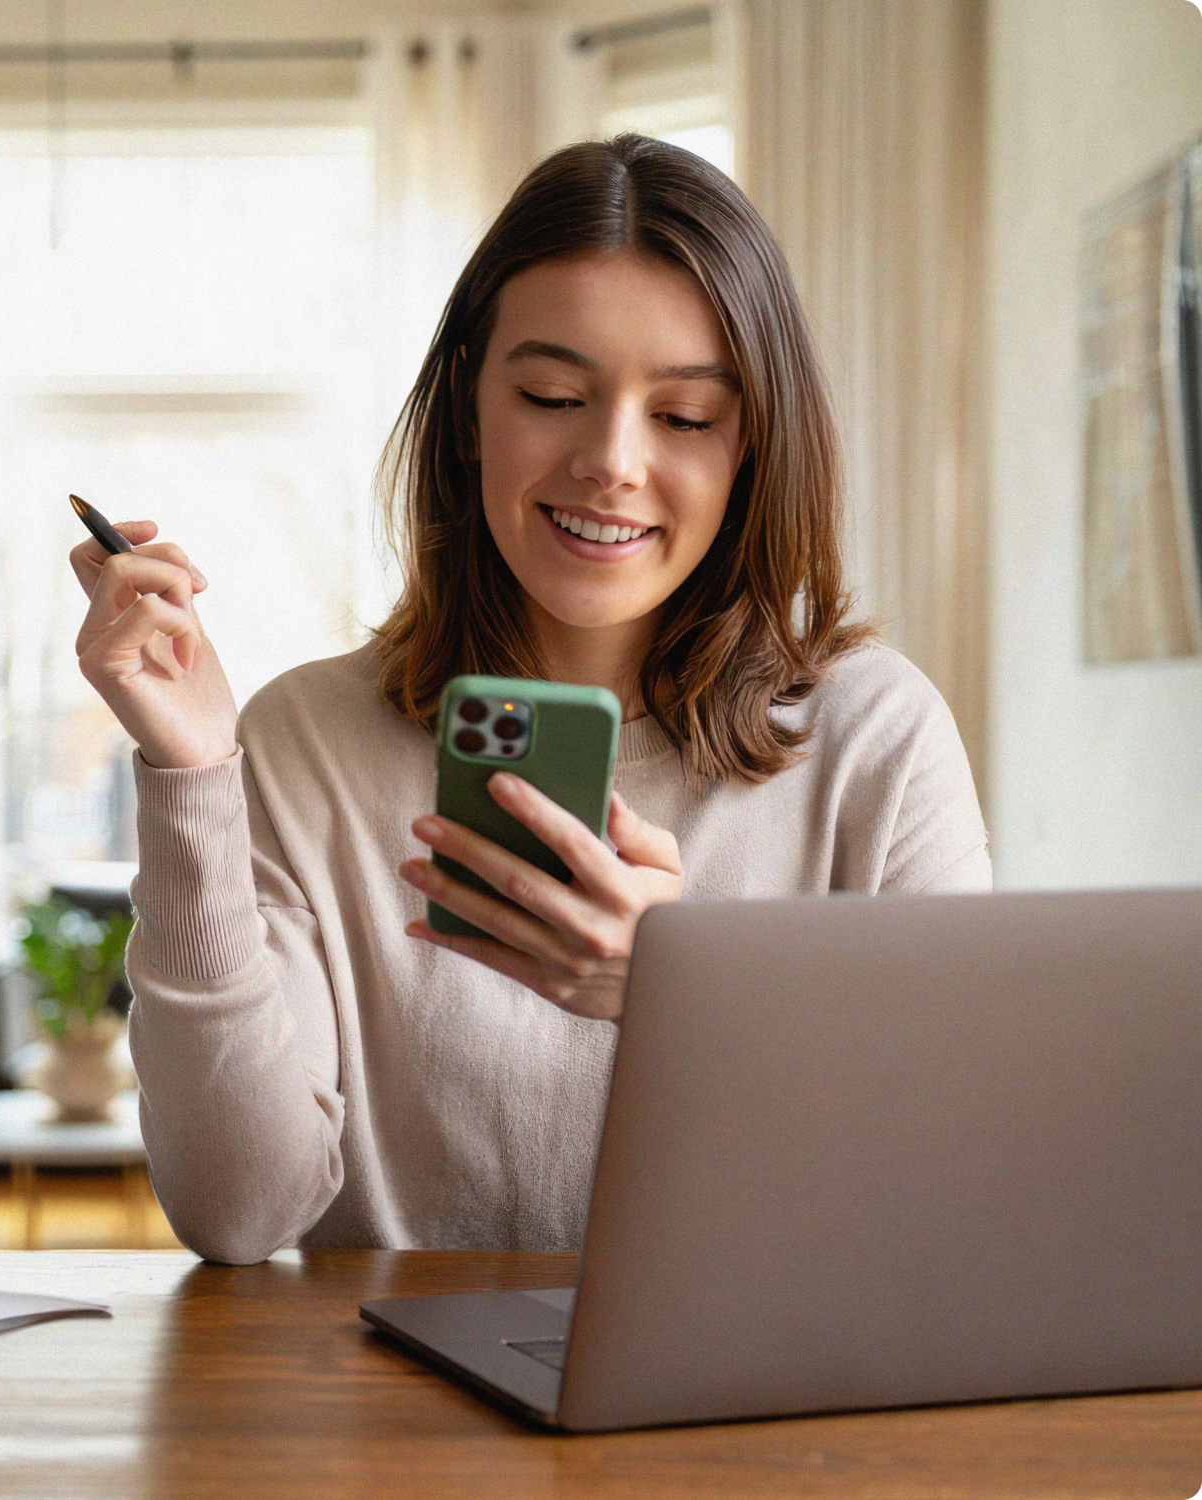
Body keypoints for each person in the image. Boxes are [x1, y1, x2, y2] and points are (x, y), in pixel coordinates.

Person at [66, 135, 990, 1266]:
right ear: (467, 403)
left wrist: (685, 1001)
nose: (610, 461)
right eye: (553, 394)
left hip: (757, 1419)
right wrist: (193, 777)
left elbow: (942, 1189)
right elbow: (237, 1211)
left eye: (684, 417)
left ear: (751, 445)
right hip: (402, 1423)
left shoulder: (875, 743)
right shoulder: (307, 742)